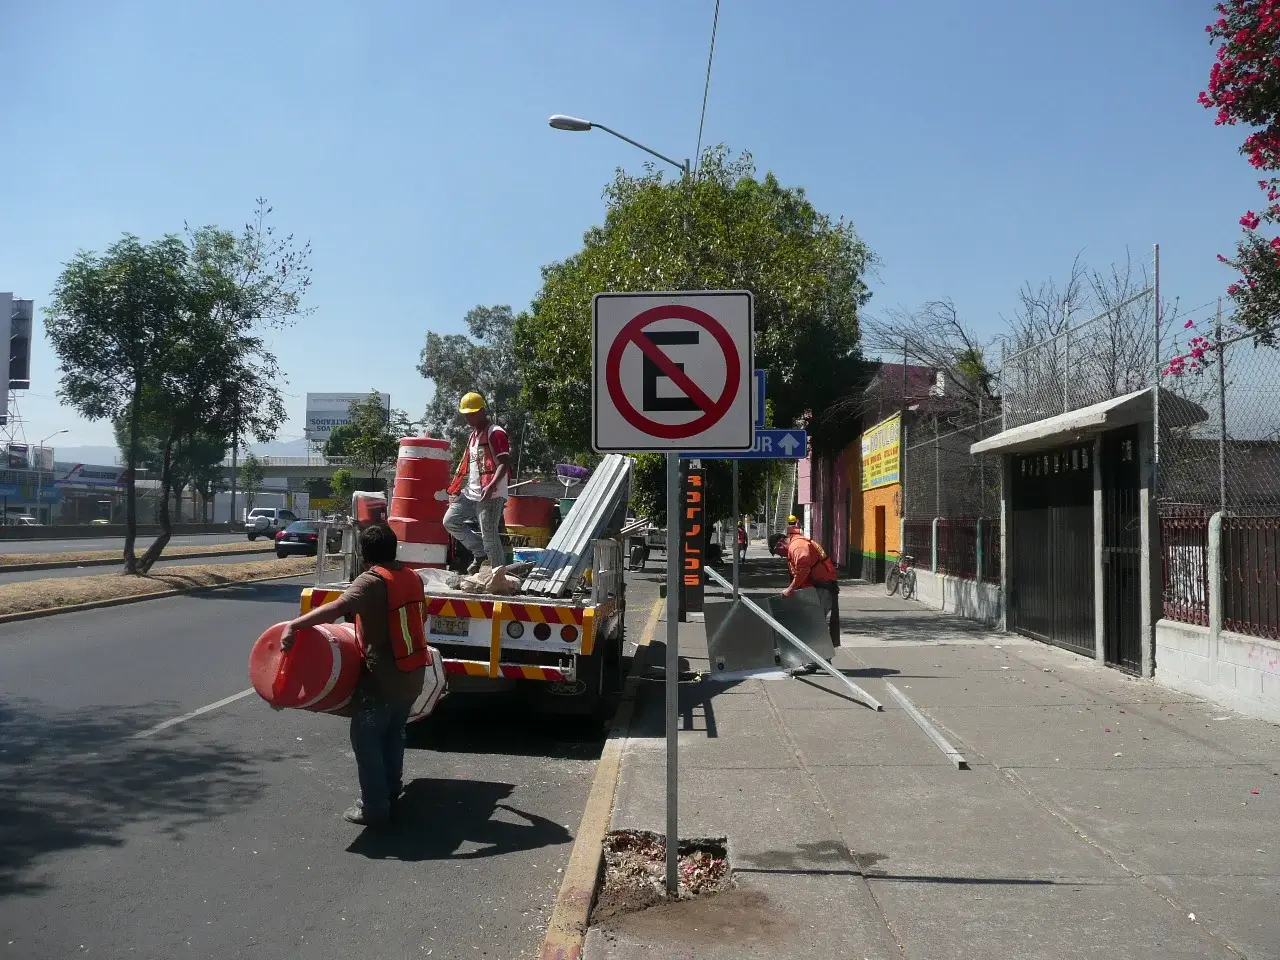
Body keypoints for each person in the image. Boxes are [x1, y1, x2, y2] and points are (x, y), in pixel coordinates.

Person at [279, 523, 428, 826]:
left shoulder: (373, 581)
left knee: (367, 736)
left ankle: (373, 807)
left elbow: (337, 608)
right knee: (393, 734)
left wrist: (294, 626)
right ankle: (391, 790)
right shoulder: (411, 577)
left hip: (385, 677)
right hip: (413, 673)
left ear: (363, 553)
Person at [443, 392, 511, 575]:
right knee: (451, 521)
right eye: (466, 414)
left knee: (489, 533)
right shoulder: (473, 436)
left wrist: (492, 486)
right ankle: (481, 554)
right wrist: (457, 488)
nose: (468, 417)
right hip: (472, 491)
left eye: (471, 413)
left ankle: (498, 575)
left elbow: (504, 463)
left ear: (482, 411)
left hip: (491, 491)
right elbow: (471, 466)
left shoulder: (495, 433)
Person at [770, 528, 841, 650]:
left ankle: (814, 661)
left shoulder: (797, 546)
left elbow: (803, 569)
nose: (781, 556)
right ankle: (822, 658)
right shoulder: (798, 544)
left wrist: (790, 589)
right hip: (822, 587)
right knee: (815, 624)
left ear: (780, 543)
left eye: (778, 552)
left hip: (821, 588)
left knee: (813, 625)